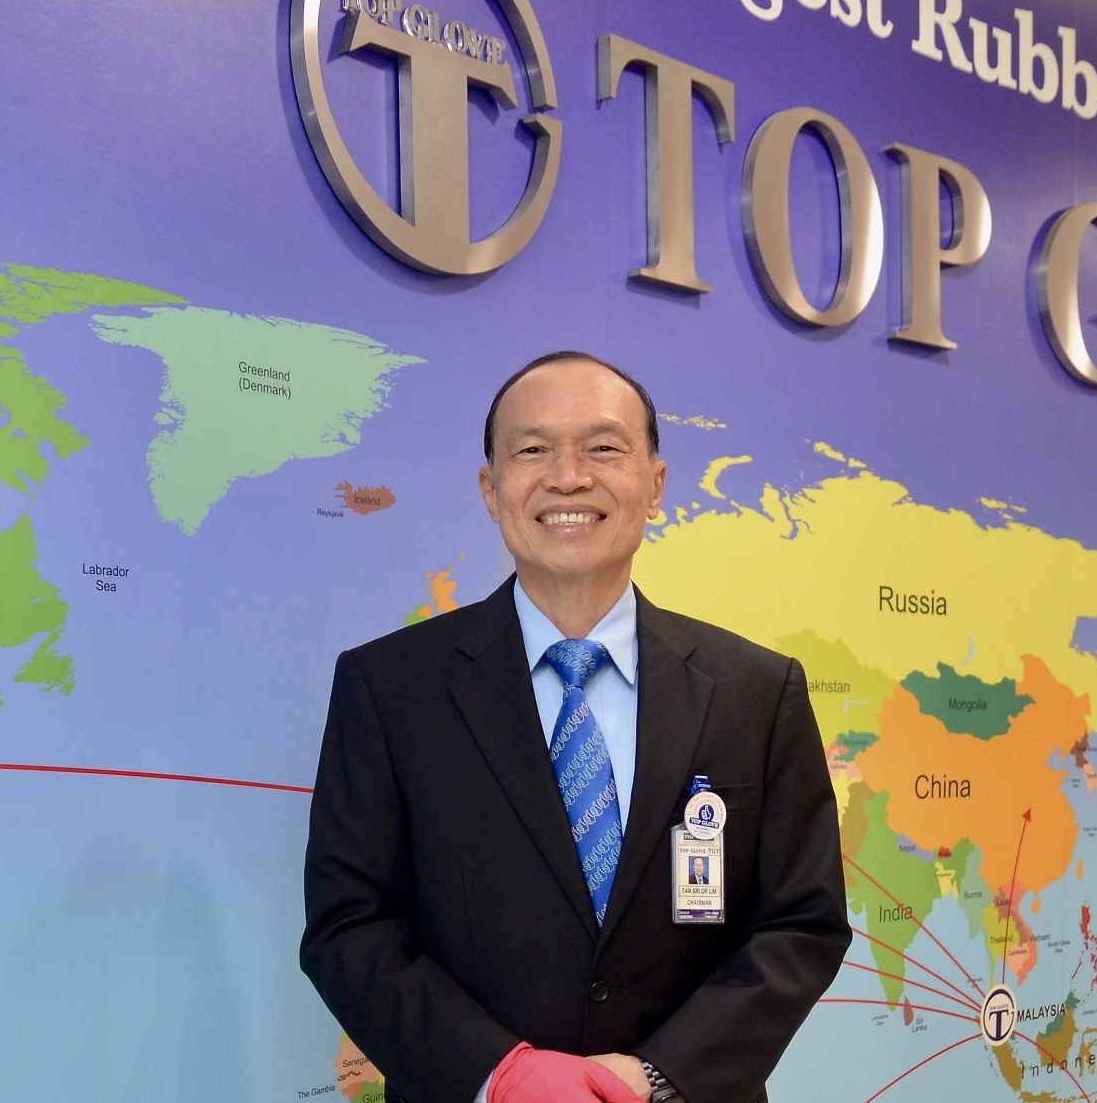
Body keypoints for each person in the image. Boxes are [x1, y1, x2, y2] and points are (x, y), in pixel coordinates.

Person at [300, 351, 850, 1103]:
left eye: (603, 448)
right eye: (532, 449)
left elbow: (800, 923)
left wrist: (657, 1076)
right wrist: (500, 1072)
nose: (567, 478)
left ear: (655, 484)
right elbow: (350, 926)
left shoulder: (756, 691)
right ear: (491, 489)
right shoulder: (388, 688)